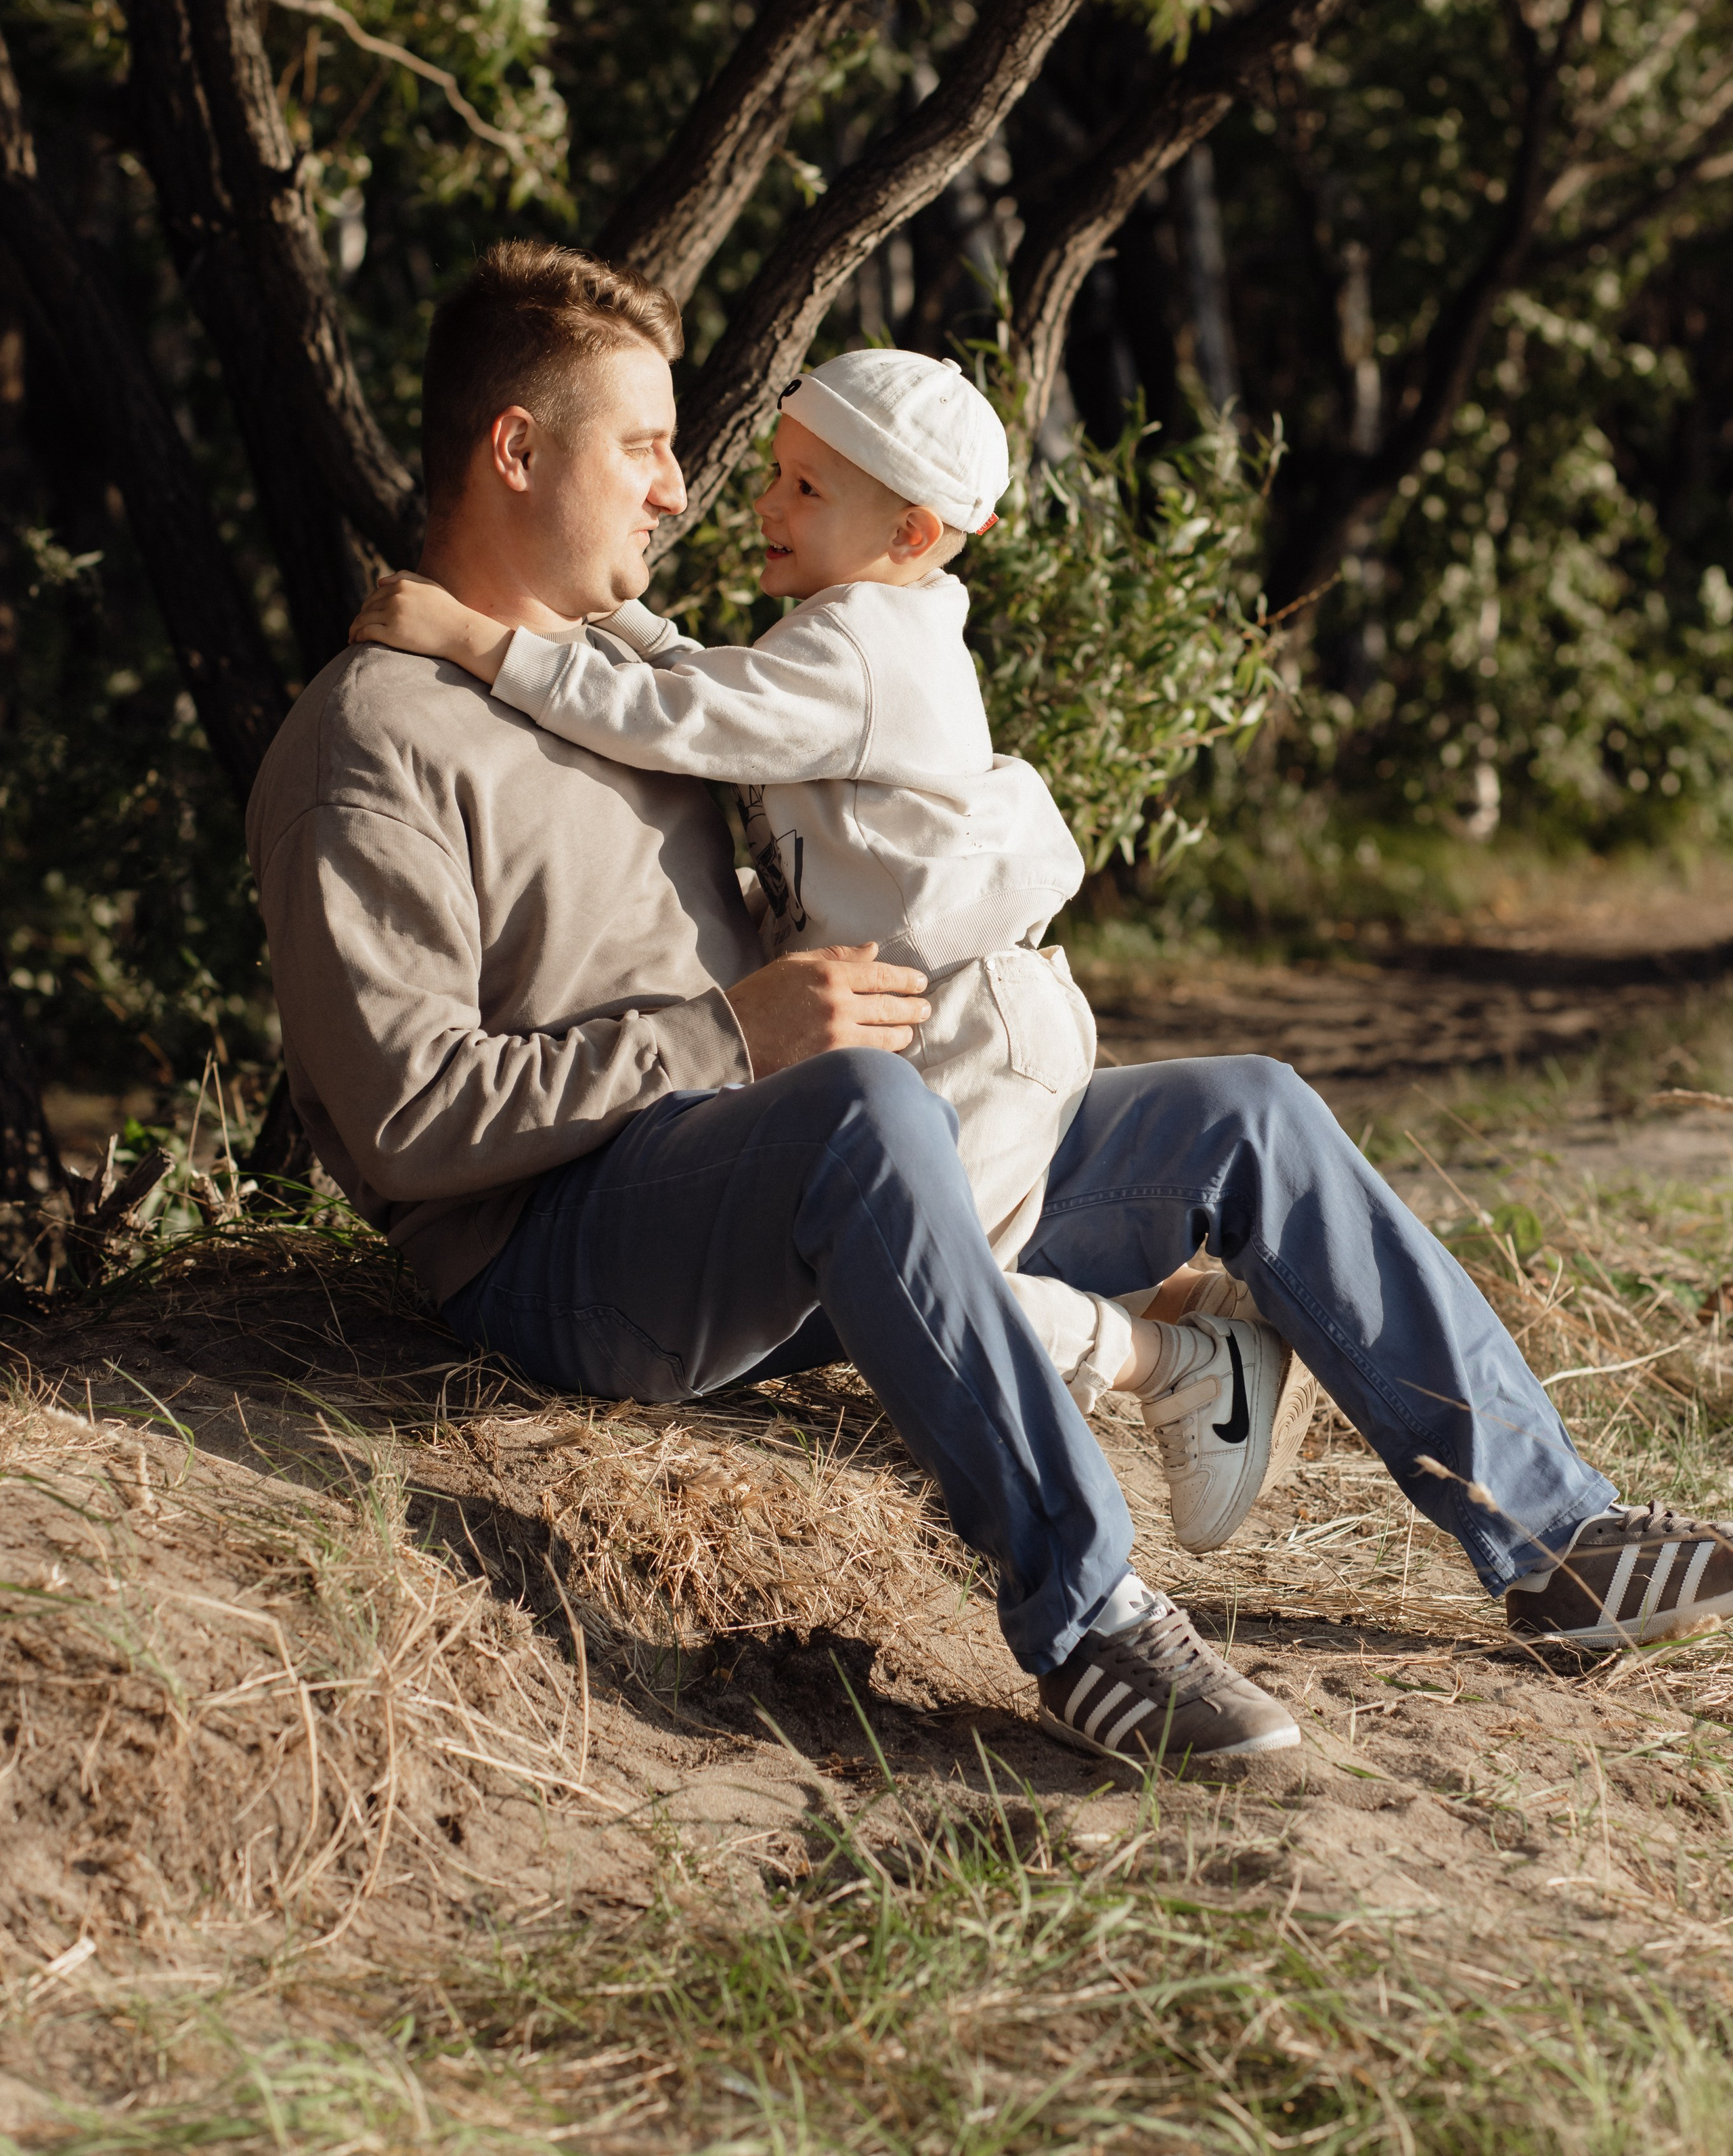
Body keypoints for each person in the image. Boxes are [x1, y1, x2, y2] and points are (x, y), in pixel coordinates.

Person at [247, 239, 1733, 1774]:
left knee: (1247, 1112)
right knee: (862, 1113)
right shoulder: (373, 742)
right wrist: (728, 1041)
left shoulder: (637, 675)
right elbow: (408, 1121)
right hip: (569, 1259)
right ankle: (1089, 1619)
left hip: (802, 1180)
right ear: (514, 448)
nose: (678, 490)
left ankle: (1560, 1541)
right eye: (642, 446)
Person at [349, 343, 1316, 1559]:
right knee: (918, 1266)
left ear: (910, 532)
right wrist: (621, 615)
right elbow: (712, 688)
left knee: (924, 1279)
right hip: (954, 1014)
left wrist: (487, 643)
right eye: (781, 474)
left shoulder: (868, 646)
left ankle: (1170, 1369)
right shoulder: (846, 635)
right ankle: (1175, 1334)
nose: (758, 503)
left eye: (806, 489)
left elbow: (681, 716)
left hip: (958, 1021)